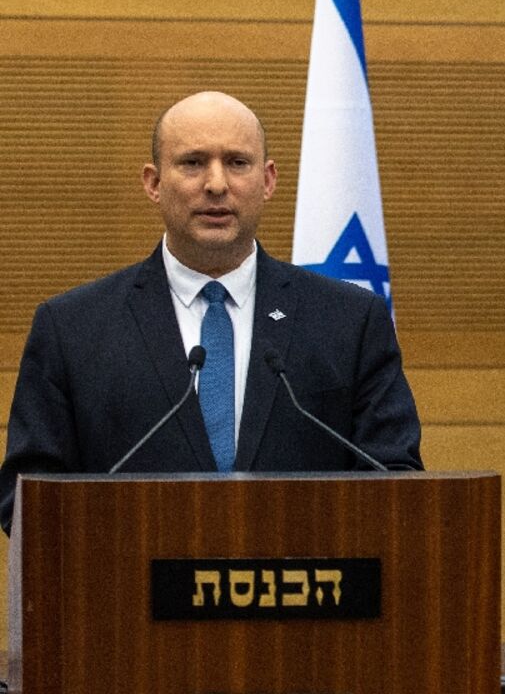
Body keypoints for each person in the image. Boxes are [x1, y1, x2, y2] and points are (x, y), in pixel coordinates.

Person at [0, 91, 422, 534]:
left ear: (268, 180)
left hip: (304, 592)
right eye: (193, 163)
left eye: (238, 163)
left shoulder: (349, 321)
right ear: (153, 183)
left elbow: (394, 478)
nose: (217, 184)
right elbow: (27, 498)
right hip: (130, 594)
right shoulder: (73, 329)